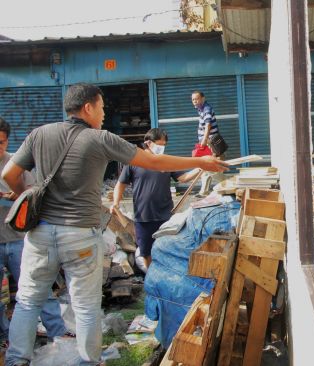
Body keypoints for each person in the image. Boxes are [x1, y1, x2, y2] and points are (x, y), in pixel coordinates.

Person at [1, 83, 228, 366]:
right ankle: (88, 362)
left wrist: (23, 192)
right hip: (80, 235)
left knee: (27, 301)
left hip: (41, 233)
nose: (104, 113)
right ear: (87, 108)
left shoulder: (39, 134)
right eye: (102, 107)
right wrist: (202, 163)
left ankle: (16, 361)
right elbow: (151, 161)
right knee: (84, 305)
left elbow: (10, 173)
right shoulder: (100, 138)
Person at [0, 118, 69, 350]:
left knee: (37, 291)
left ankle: (57, 334)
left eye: (0, 142)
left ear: (7, 140)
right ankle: (5, 336)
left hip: (18, 239)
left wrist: (16, 195)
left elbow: (33, 192)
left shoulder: (15, 162)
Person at [111, 128, 201, 269]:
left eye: (164, 145)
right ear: (148, 143)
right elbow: (120, 184)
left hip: (165, 216)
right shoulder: (134, 162)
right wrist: (115, 203)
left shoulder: (166, 161)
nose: (162, 148)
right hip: (143, 217)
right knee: (146, 253)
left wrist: (201, 166)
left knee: (167, 250)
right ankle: (151, 278)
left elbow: (184, 178)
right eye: (159, 145)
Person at [191, 90, 224, 196]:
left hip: (210, 142)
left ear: (203, 99)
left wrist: (204, 140)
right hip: (207, 141)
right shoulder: (201, 109)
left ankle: (225, 184)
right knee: (205, 165)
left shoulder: (206, 109)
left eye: (197, 99)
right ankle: (204, 191)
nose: (195, 101)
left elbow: (208, 125)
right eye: (193, 99)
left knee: (212, 166)